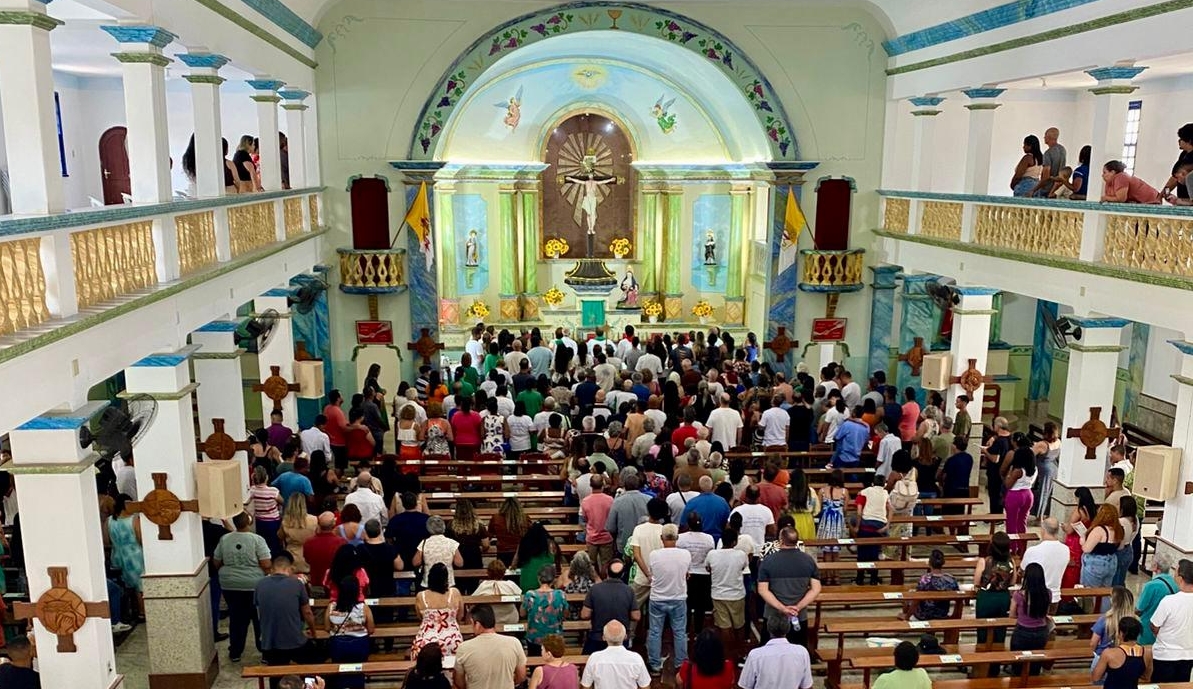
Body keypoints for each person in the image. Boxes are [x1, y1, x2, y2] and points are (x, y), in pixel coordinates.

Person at [214, 512, 271, 662]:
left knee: (237, 618)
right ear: (249, 522)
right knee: (259, 619)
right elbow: (266, 564)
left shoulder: (225, 539)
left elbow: (216, 562)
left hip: (230, 585)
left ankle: (235, 652)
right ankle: (264, 652)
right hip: (255, 585)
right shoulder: (257, 540)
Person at [255, 553, 316, 685]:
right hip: (294, 640)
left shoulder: (260, 584)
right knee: (312, 664)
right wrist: (313, 631)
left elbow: (260, 608)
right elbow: (307, 612)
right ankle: (309, 686)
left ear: (272, 568)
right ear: (290, 568)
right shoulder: (296, 584)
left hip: (271, 641)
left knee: (276, 674)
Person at [757, 526, 820, 647]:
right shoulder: (808, 560)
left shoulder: (768, 561)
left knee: (770, 655)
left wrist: (782, 608)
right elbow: (816, 589)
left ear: (780, 540)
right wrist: (797, 607)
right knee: (797, 653)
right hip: (798, 616)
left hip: (773, 617)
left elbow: (762, 590)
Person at [646, 523, 690, 674]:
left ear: (661, 538)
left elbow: (651, 573)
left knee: (655, 632)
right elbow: (686, 573)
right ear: (677, 537)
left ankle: (655, 665)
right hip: (678, 597)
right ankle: (681, 664)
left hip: (658, 597)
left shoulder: (654, 554)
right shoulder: (685, 554)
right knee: (679, 632)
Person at [453, 604, 528, 689]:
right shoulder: (514, 643)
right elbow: (521, 676)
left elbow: (458, 681)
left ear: (476, 624)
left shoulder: (464, 648)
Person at [739, 615, 814, 689]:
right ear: (788, 629)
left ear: (768, 629)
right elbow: (807, 685)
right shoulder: (801, 652)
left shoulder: (755, 655)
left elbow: (745, 685)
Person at [706, 527, 748, 654]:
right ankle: (740, 652)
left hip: (718, 595)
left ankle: (727, 654)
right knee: (739, 625)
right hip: (737, 594)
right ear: (735, 542)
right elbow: (743, 567)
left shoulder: (712, 554)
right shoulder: (741, 555)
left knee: (724, 626)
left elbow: (708, 568)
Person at [1149, 558, 1193, 682]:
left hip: (1165, 655)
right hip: (1188, 654)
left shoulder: (1169, 601)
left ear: (1180, 578)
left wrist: (1159, 633)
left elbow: (1154, 625)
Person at [411, 563, 464, 659]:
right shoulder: (455, 593)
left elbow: (420, 617)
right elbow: (460, 616)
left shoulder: (421, 596)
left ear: (429, 577)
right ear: (446, 578)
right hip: (452, 640)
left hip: (426, 641)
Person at [581, 620, 652, 689]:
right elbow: (645, 686)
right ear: (625, 637)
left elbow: (586, 686)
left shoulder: (594, 658)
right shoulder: (636, 658)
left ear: (603, 637)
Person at [1009, 562, 1051, 674]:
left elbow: (1012, 615)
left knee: (1018, 663)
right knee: (1035, 663)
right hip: (1041, 632)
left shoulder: (1018, 595)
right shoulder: (1047, 593)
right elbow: (1046, 612)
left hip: (1022, 631)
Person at [109, 493, 146, 620]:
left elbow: (106, 540)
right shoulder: (134, 519)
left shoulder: (109, 520)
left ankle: (129, 611)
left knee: (125, 585)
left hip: (117, 555)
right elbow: (140, 538)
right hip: (134, 556)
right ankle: (142, 612)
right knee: (140, 587)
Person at [1093, 616, 1152, 689]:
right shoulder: (1147, 653)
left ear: (1121, 633)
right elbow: (1146, 677)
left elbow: (1096, 677)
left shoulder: (1109, 654)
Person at [1021, 517, 1069, 605]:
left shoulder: (1033, 550)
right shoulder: (1066, 549)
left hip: (1035, 597)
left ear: (1043, 530)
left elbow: (1023, 570)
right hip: (1054, 597)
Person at [1002, 437, 1037, 555]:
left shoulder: (1018, 470)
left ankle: (1012, 548)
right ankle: (1022, 548)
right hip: (1028, 494)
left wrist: (1008, 474)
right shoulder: (1034, 469)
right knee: (1022, 522)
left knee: (1011, 522)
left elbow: (1008, 484)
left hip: (1015, 495)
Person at [524, 565, 568, 656]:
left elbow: (522, 613)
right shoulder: (560, 594)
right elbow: (565, 614)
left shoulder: (530, 594)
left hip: (535, 638)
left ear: (539, 578)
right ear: (553, 579)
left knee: (535, 666)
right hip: (555, 639)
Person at [1091, 586, 1136, 674]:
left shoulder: (1105, 619)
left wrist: (1094, 652)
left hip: (1102, 657)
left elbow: (1093, 642)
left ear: (1113, 601)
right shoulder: (1135, 620)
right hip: (1127, 658)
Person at [854, 475, 889, 584]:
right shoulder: (885, 493)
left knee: (862, 553)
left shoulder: (864, 492)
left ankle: (860, 578)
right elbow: (890, 508)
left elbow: (859, 512)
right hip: (879, 525)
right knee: (874, 552)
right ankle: (874, 579)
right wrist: (887, 525)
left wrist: (857, 527)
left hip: (865, 525)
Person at [1137, 552, 1178, 646]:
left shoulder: (1151, 586)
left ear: (1156, 566)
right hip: (1166, 628)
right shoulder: (1175, 584)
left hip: (1148, 628)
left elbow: (1139, 609)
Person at [905, 549, 959, 621]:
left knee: (908, 597)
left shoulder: (925, 579)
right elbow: (959, 600)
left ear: (929, 563)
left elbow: (916, 601)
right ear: (943, 563)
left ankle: (906, 620)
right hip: (942, 615)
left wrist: (907, 617)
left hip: (924, 616)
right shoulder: (951, 579)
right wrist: (954, 617)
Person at [413, 516, 463, 589]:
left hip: (428, 582)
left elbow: (415, 562)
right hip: (448, 581)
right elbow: (459, 563)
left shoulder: (424, 543)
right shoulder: (451, 543)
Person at [1082, 504, 1124, 591]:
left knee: (1090, 592)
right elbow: (1120, 547)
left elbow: (1087, 549)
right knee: (1105, 592)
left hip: (1096, 563)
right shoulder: (1119, 529)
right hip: (1111, 562)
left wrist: (1082, 541)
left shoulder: (1099, 530)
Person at [304, 512, 348, 593]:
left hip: (316, 584)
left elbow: (307, 559)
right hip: (335, 585)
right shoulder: (342, 543)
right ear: (334, 524)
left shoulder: (308, 543)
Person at [582, 474, 616, 571]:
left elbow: (585, 518)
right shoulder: (610, 500)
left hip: (592, 536)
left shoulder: (585, 501)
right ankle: (604, 581)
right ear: (603, 484)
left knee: (591, 563)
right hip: (606, 536)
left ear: (590, 485)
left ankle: (594, 581)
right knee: (606, 563)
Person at [278, 492, 318, 573]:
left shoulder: (286, 521)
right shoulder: (314, 520)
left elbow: (280, 536)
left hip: (291, 557)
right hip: (309, 556)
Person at [681, 476, 731, 541]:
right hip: (717, 540)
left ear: (699, 487)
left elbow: (683, 525)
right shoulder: (722, 502)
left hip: (697, 541)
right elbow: (727, 523)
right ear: (713, 487)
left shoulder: (692, 503)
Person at [474, 559, 523, 624]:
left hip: (489, 621)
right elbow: (521, 600)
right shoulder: (510, 584)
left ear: (488, 573)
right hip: (510, 620)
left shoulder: (484, 585)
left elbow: (473, 600)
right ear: (504, 572)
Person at [248, 465, 284, 555]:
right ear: (266, 477)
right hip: (273, 521)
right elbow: (283, 501)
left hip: (260, 521)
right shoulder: (273, 491)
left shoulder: (252, 490)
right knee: (274, 544)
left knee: (263, 544)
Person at [983, 416, 1012, 514]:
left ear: (998, 426)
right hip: (1005, 470)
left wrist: (985, 451)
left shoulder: (999, 442)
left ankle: (994, 515)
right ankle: (997, 514)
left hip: (995, 471)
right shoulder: (1009, 438)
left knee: (994, 494)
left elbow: (995, 459)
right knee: (999, 493)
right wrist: (993, 437)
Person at [1030, 126, 1067, 197]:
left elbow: (1046, 175)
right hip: (1058, 188)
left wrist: (1034, 190)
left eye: (1045, 135)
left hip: (1047, 188)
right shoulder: (1063, 150)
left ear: (1049, 137)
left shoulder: (1048, 153)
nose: (1044, 138)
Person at [1116, 496, 1138, 587]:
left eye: (1118, 504)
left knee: (1116, 580)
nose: (1116, 506)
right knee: (1121, 578)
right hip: (1129, 549)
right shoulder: (1135, 520)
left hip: (1120, 550)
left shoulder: (1121, 521)